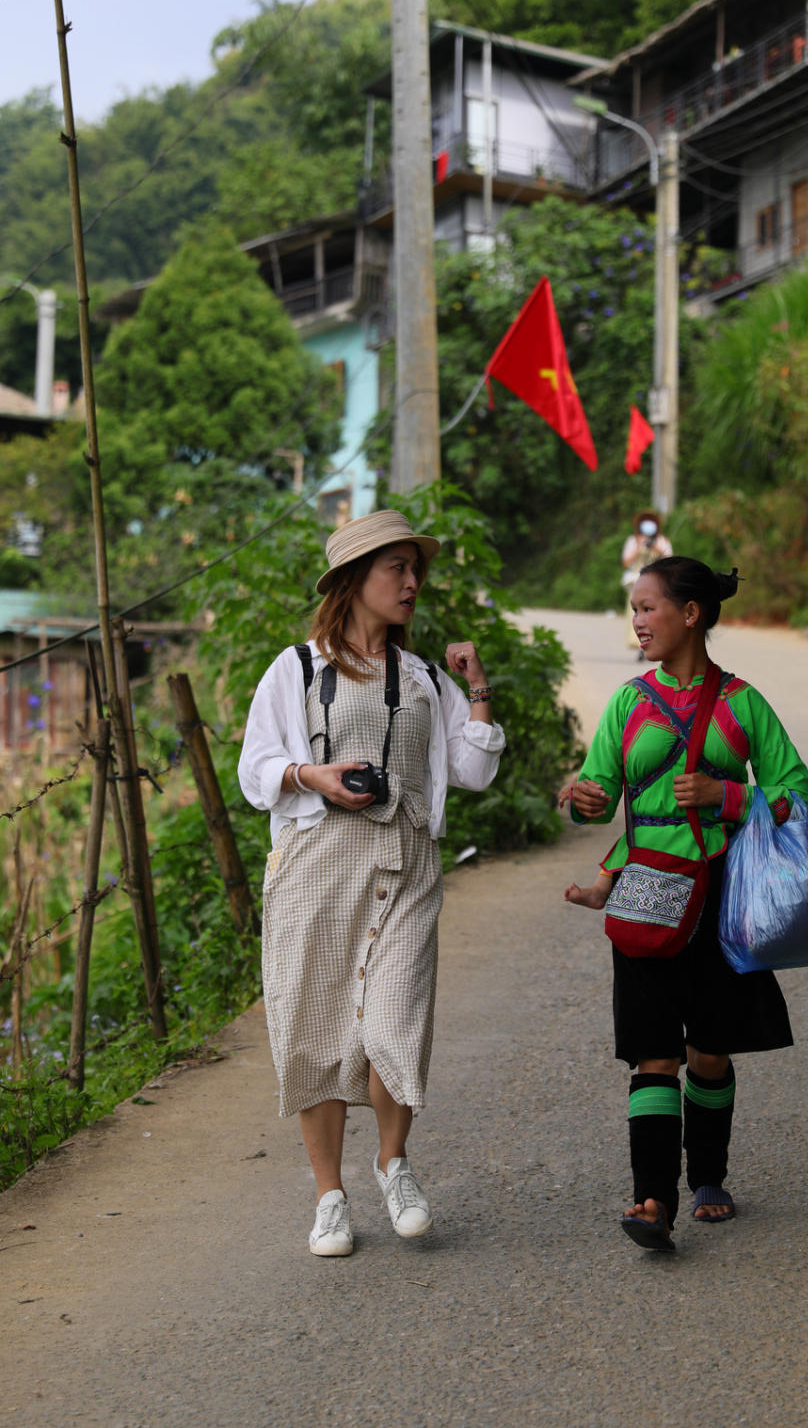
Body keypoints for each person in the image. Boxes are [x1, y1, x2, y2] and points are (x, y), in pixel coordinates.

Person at [238, 509, 505, 1258]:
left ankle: (394, 1163)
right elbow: (255, 769)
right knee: (315, 1030)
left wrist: (476, 687)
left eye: (416, 569)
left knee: (395, 1023)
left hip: (404, 867)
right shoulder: (295, 669)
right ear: (355, 581)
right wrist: (310, 775)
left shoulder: (421, 677)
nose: (413, 582)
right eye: (398, 569)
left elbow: (475, 768)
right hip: (317, 873)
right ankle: (330, 1196)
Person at [562, 556, 808, 1253]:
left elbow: (797, 794)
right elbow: (600, 791)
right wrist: (585, 803)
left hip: (725, 894)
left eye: (648, 607)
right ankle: (652, 1199)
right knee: (652, 1052)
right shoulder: (627, 702)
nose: (637, 622)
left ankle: (709, 1174)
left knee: (708, 1049)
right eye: (634, 609)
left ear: (691, 613)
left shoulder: (742, 704)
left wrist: (726, 797)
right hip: (645, 891)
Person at [621, 512, 672, 653]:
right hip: (637, 583)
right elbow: (626, 561)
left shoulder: (662, 541)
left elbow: (670, 561)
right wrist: (638, 547)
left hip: (657, 584)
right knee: (636, 614)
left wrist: (657, 549)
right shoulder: (633, 540)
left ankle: (655, 642)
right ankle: (638, 644)